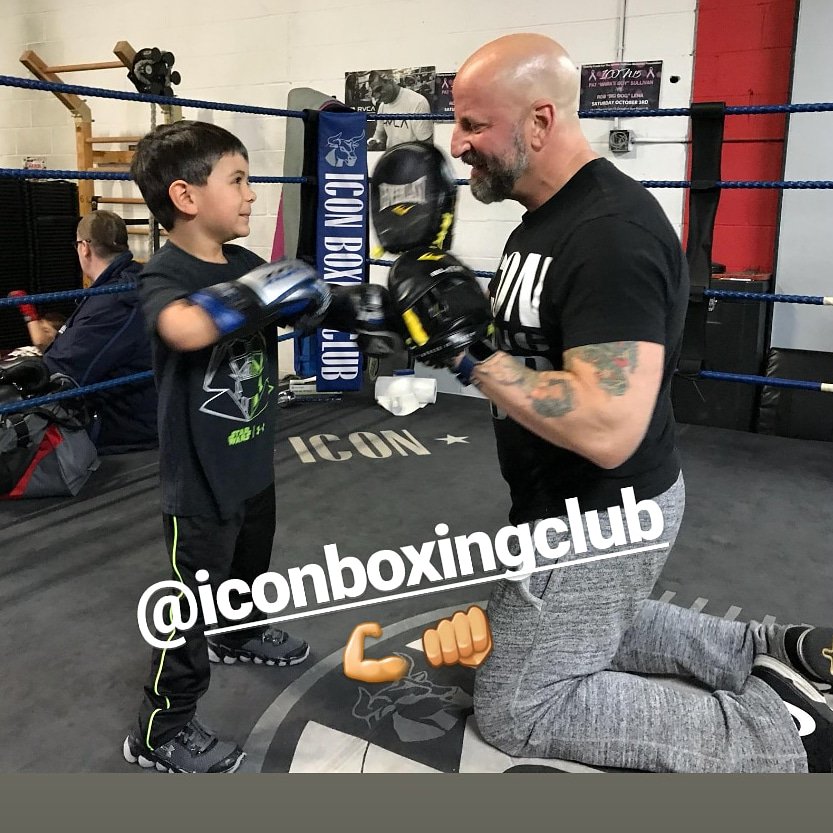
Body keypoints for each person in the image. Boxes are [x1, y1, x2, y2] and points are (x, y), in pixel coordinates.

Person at [385, 34, 833, 772]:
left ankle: (780, 729)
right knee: (567, 623)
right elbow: (539, 352)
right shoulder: (544, 220)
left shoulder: (608, 235)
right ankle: (770, 650)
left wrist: (467, 353)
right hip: (564, 507)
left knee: (518, 708)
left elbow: (607, 424)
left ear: (538, 120)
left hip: (602, 511)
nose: (456, 145)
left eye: (473, 124)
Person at [123, 119, 401, 774]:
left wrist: (391, 305)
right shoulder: (165, 274)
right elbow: (186, 327)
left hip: (250, 461)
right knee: (187, 611)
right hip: (198, 483)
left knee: (249, 570)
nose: (251, 195)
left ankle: (240, 632)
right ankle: (161, 728)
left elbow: (322, 303)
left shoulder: (248, 264)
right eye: (238, 180)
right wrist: (271, 288)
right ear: (187, 197)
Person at [6, 211, 157, 454]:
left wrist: (16, 380)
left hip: (120, 429)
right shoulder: (134, 279)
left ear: (84, 248)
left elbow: (61, 373)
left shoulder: (114, 300)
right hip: (139, 416)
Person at [366, 70, 434, 151]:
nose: (378, 96)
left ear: (390, 81)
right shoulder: (383, 107)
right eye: (374, 93)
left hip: (412, 160)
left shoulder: (418, 103)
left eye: (379, 89)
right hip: (392, 159)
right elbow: (379, 135)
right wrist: (374, 143)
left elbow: (427, 146)